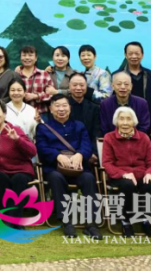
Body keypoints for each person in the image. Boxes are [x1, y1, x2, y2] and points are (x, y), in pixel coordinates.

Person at [36, 94, 102, 239]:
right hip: (55, 168)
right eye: (57, 106)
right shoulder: (43, 128)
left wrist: (80, 155)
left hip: (78, 168)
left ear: (70, 108)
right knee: (55, 178)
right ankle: (66, 221)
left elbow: (86, 144)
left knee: (89, 178)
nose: (61, 109)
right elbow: (41, 147)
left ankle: (91, 223)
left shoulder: (79, 125)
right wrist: (57, 156)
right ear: (51, 109)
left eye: (64, 105)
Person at [101, 106, 151, 237]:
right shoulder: (109, 137)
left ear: (134, 122)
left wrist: (149, 173)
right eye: (121, 119)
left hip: (142, 173)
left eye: (128, 119)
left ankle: (146, 220)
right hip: (120, 175)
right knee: (127, 185)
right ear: (116, 122)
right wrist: (123, 174)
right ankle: (126, 221)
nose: (125, 123)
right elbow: (107, 163)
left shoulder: (144, 137)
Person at [0, 99, 37, 225]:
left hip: (21, 169)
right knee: (0, 178)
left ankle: (12, 220)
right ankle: (13, 220)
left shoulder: (16, 130)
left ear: (4, 113)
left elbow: (32, 151)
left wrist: (17, 139)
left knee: (18, 180)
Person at [115, 42, 151, 108]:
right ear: (125, 55)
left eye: (137, 53)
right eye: (130, 54)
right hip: (124, 113)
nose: (134, 56)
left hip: (147, 113)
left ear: (142, 55)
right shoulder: (116, 75)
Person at [17, 46, 55, 114]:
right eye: (24, 55)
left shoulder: (44, 74)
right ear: (20, 58)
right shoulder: (16, 76)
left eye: (30, 55)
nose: (27, 58)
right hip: (20, 114)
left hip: (41, 113)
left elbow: (51, 95)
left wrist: (36, 96)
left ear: (36, 58)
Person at [67, 72, 101, 141]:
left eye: (82, 85)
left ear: (86, 86)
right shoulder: (63, 107)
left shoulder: (94, 107)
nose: (78, 88)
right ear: (69, 86)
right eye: (75, 85)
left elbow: (96, 133)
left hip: (89, 144)